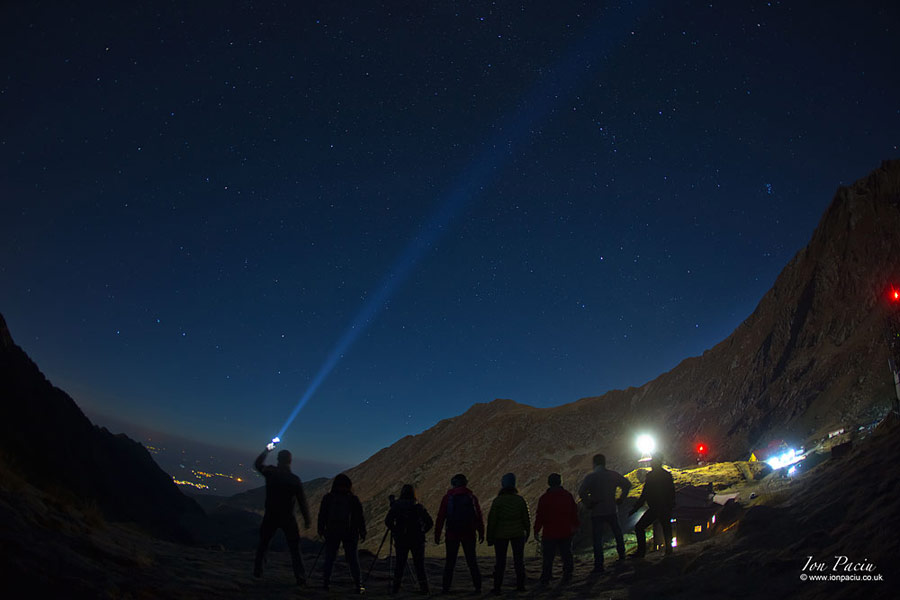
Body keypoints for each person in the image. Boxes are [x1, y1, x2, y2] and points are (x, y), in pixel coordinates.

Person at [253, 445, 311, 585]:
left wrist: (267, 450)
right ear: (290, 461)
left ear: (278, 459)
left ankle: (258, 572)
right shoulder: (294, 479)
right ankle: (300, 577)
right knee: (295, 549)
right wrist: (306, 519)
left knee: (264, 544)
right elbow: (302, 501)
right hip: (287, 517)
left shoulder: (271, 473)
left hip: (271, 515)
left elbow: (257, 464)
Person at [577, 453, 631, 573]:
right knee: (617, 533)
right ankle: (622, 556)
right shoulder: (612, 475)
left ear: (594, 463)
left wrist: (588, 503)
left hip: (597, 510)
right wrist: (621, 498)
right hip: (611, 508)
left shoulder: (591, 477)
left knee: (597, 538)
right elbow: (627, 485)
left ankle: (599, 564)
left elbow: (581, 492)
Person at [434, 473, 484, 593]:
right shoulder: (471, 497)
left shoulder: (448, 498)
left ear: (453, 483)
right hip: (469, 533)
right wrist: (481, 532)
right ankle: (478, 587)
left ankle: (446, 588)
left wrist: (437, 534)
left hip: (452, 534)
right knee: (472, 561)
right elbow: (478, 516)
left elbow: (441, 517)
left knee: (450, 562)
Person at [318, 473, 367, 593]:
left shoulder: (328, 498)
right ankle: (358, 585)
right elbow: (359, 517)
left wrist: (321, 529)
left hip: (332, 531)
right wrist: (362, 531)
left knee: (330, 557)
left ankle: (326, 583)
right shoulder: (353, 499)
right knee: (353, 559)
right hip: (350, 533)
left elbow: (322, 515)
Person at [486, 472, 531, 594]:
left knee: (500, 562)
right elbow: (526, 518)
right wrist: (528, 531)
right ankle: (521, 585)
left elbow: (492, 521)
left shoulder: (498, 501)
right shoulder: (520, 500)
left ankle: (497, 587)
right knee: (519, 561)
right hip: (518, 534)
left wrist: (489, 537)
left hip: (500, 535)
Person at [385, 484, 433, 594]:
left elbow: (388, 521)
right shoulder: (418, 506)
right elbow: (429, 522)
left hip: (401, 539)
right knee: (419, 565)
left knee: (399, 565)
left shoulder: (397, 506)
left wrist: (396, 530)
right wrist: (422, 532)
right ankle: (424, 589)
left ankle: (395, 589)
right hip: (417, 539)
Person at [533, 473, 579, 585]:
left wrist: (536, 530)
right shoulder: (567, 496)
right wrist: (576, 526)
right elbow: (574, 512)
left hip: (549, 533)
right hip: (565, 531)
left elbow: (540, 516)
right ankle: (567, 574)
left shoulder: (544, 498)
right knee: (566, 554)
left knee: (548, 557)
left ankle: (546, 576)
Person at [628, 455, 676, 557]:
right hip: (664, 507)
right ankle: (669, 550)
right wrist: (671, 505)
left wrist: (635, 508)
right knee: (666, 528)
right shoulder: (666, 475)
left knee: (639, 527)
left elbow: (645, 494)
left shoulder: (651, 476)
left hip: (655, 507)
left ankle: (641, 552)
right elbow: (672, 492)